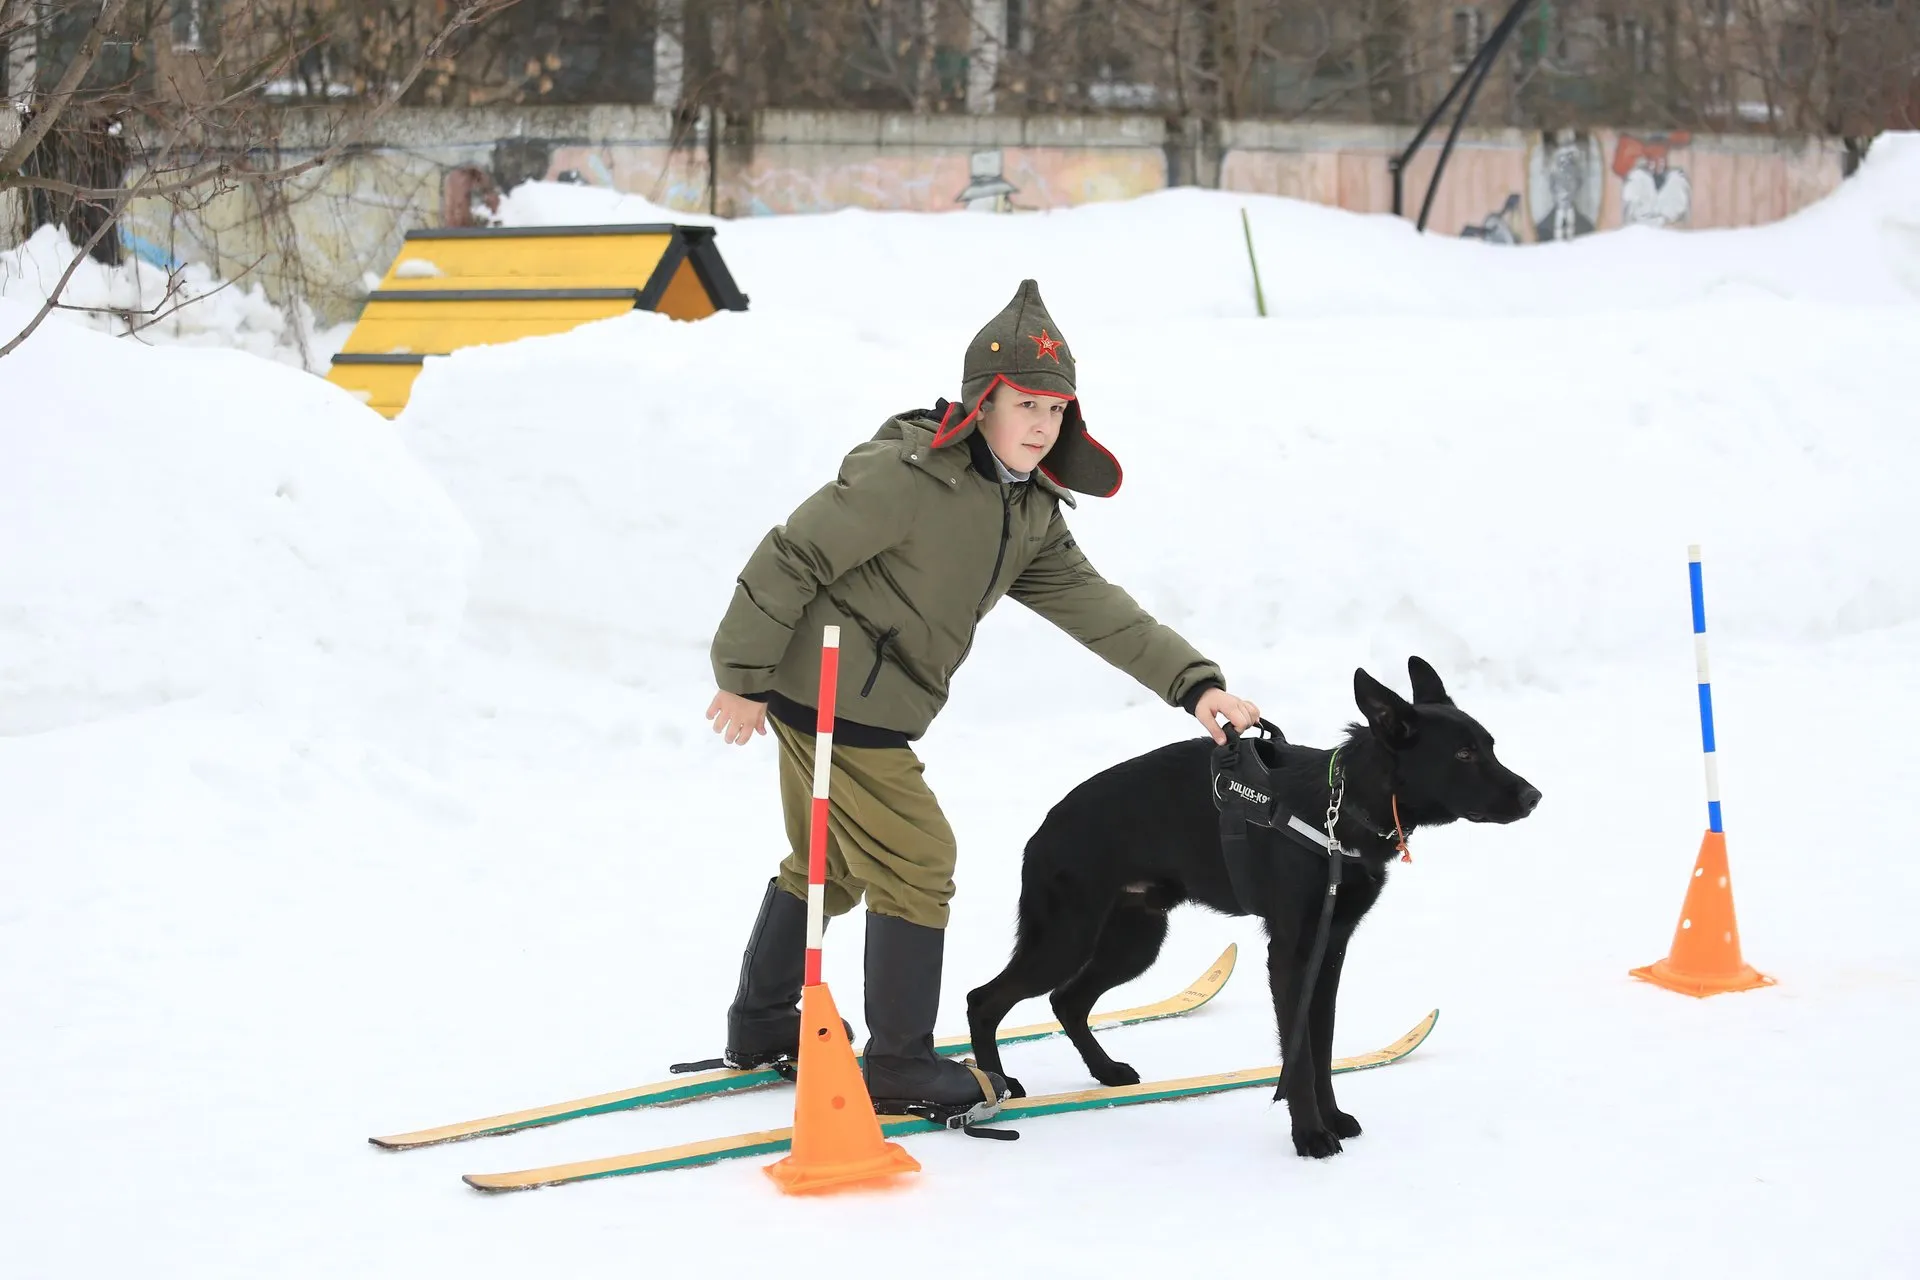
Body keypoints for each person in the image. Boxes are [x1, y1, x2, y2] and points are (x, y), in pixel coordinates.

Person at [706, 279, 1260, 1115]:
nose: (1042, 426)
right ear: (982, 402)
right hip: (832, 693)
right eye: (1025, 405)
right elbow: (793, 555)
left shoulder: (1028, 507)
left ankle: (761, 1022)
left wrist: (1195, 684)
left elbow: (1096, 606)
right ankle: (897, 1065)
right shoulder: (911, 475)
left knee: (830, 865)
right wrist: (742, 677)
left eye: (1056, 409)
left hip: (860, 697)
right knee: (920, 862)